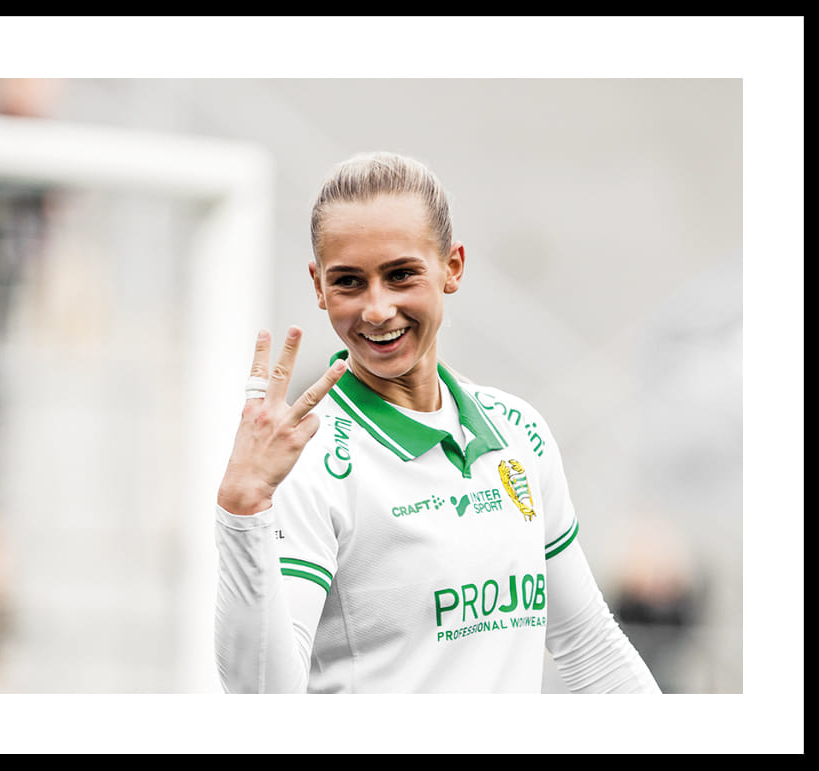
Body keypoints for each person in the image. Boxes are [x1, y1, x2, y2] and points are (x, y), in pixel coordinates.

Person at [213, 151, 662, 694]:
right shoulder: (304, 460)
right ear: (318, 286)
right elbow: (262, 699)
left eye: (401, 275)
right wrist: (242, 507)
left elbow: (589, 645)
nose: (377, 309)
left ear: (452, 266)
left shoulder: (519, 431)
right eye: (349, 282)